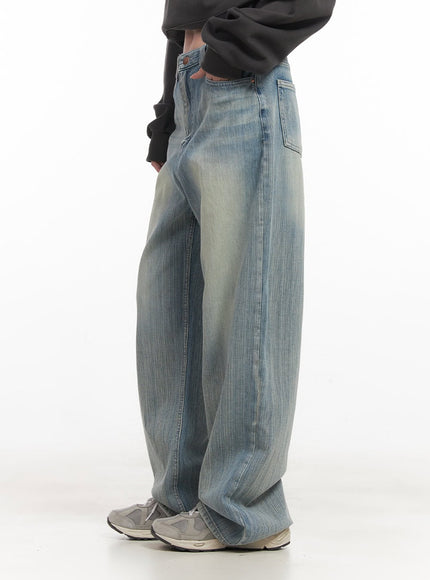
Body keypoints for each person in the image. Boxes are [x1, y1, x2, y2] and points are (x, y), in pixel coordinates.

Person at [107, 1, 336, 552]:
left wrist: (231, 52)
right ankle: (182, 493)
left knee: (246, 308)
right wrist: (169, 113)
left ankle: (245, 510)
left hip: (245, 88)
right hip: (191, 94)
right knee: (167, 306)